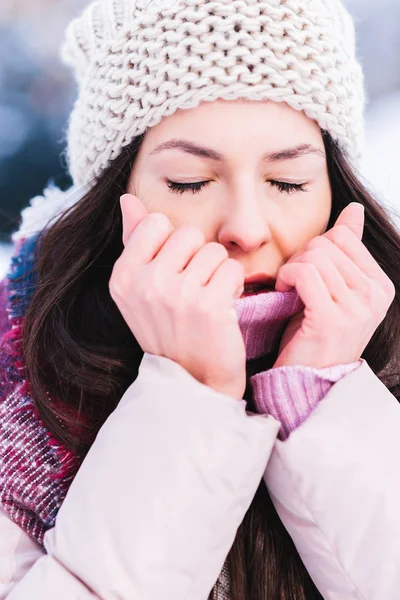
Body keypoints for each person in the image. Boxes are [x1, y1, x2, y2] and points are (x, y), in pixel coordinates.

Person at [0, 0, 400, 598]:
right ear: (116, 197)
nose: (246, 228)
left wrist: (322, 401)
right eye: (190, 181)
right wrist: (187, 400)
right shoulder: (18, 400)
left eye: (288, 182)